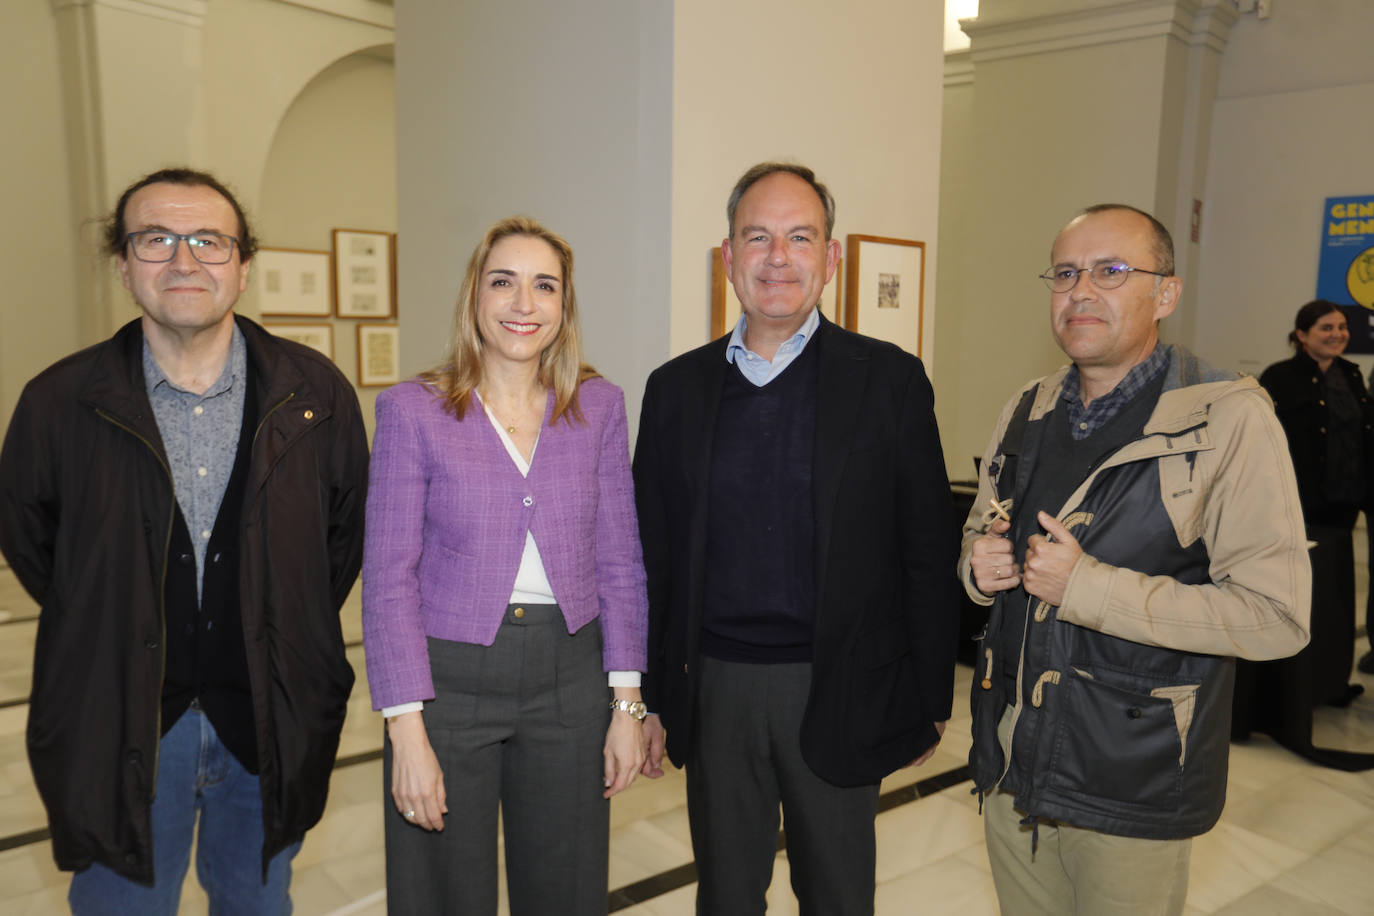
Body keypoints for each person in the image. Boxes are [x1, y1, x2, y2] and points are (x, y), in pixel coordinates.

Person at [0, 167, 370, 914]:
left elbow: (338, 545)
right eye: (155, 239)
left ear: (242, 265)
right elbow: (38, 550)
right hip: (121, 725)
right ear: (122, 264)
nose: (183, 260)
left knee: (257, 903)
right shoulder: (57, 403)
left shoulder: (315, 395)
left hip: (268, 720)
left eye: (208, 240)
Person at [960, 203, 1311, 914]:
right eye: (1065, 273)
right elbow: (980, 524)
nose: (1081, 291)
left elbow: (1276, 616)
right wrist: (977, 566)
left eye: (1111, 270)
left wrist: (1086, 588)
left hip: (1132, 775)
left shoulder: (1228, 418)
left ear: (1167, 293)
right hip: (1013, 757)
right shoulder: (1027, 407)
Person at [633, 162, 957, 914]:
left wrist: (929, 693)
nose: (778, 257)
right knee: (726, 896)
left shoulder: (891, 382)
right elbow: (652, 559)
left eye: (800, 237)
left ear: (831, 258)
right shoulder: (674, 390)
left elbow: (925, 549)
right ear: (728, 256)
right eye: (758, 237)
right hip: (716, 687)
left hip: (841, 683)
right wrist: (647, 697)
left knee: (838, 896)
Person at [362, 216, 648, 915]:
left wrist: (626, 705)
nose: (524, 303)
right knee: (442, 890)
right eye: (504, 282)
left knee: (566, 886)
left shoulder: (599, 407)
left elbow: (620, 561)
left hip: (570, 681)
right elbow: (389, 577)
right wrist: (406, 728)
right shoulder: (414, 411)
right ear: (475, 295)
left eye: (544, 285)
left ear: (563, 305)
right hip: (448, 684)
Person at [1260, 301, 1373, 703]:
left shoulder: (1352, 374)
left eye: (1342, 327)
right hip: (1299, 508)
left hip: (1343, 505)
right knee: (1295, 595)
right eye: (1326, 327)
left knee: (1333, 598)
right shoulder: (1279, 377)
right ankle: (1286, 694)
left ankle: (1328, 683)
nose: (1337, 334)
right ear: (1302, 335)